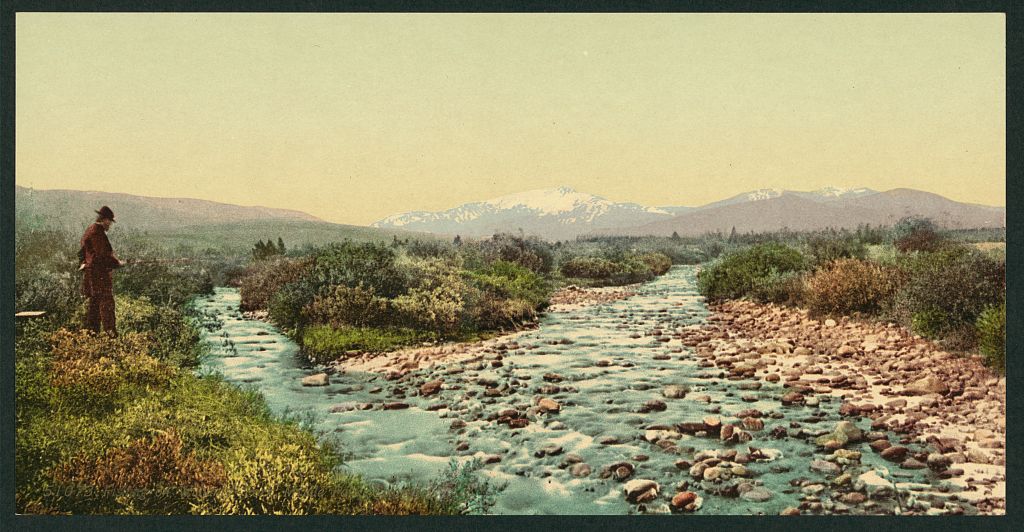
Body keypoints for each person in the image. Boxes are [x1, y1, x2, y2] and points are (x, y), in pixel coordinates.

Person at [79, 206, 124, 336]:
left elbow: (82, 251)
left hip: (91, 273)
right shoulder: (97, 232)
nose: (110, 224)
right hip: (99, 274)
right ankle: (110, 332)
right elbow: (103, 255)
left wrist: (83, 263)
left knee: (94, 301)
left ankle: (93, 332)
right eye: (109, 221)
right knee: (107, 301)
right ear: (104, 219)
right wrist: (117, 263)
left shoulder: (89, 230)